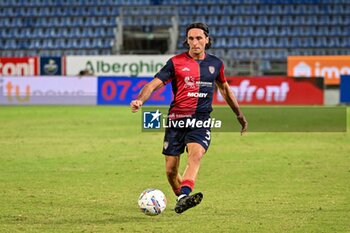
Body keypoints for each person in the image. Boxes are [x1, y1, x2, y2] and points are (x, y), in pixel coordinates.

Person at [130, 22, 248, 214]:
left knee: (196, 154)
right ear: (186, 41)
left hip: (200, 120)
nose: (195, 42)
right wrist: (140, 100)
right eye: (191, 39)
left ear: (207, 40)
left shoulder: (216, 64)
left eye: (199, 38)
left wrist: (239, 115)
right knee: (170, 171)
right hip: (176, 119)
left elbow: (225, 90)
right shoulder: (175, 62)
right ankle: (182, 198)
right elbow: (153, 85)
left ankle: (185, 193)